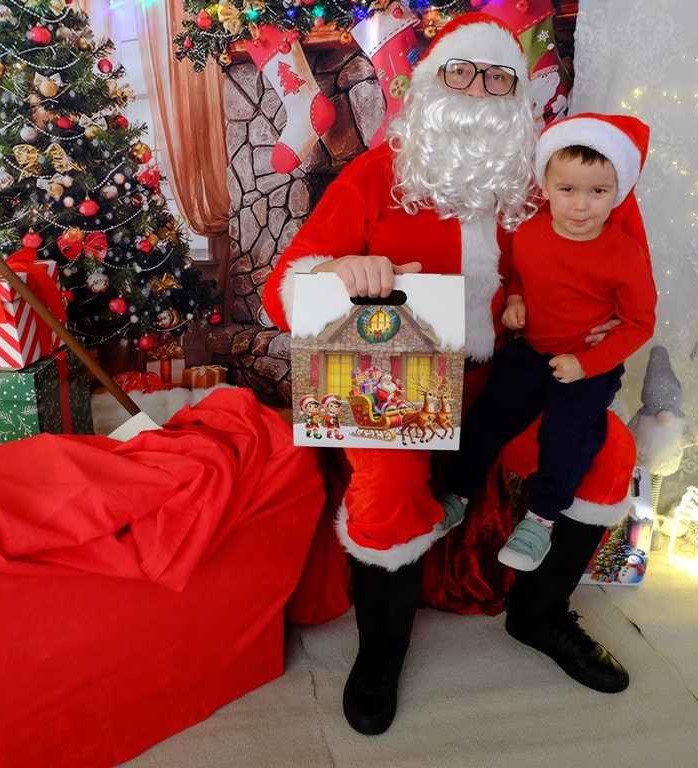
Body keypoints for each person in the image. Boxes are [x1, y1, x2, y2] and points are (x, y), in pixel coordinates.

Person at [262, 14, 636, 737]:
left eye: (498, 79)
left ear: (519, 97)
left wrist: (602, 317)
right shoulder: (376, 174)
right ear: (429, 84)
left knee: (608, 452)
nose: (476, 91)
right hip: (394, 373)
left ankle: (539, 615)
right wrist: (339, 272)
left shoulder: (546, 184)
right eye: (460, 72)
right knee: (386, 484)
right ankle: (382, 650)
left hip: (513, 379)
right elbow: (284, 292)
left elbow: (605, 265)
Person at [440, 113, 657, 572]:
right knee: (488, 416)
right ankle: (457, 493)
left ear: (618, 192)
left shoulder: (624, 255)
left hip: (587, 361)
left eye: (598, 192)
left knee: (565, 435)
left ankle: (541, 520)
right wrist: (515, 298)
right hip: (531, 349)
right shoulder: (530, 233)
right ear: (546, 186)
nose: (581, 205)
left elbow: (640, 323)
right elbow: (521, 272)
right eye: (568, 190)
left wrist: (588, 364)